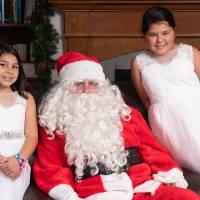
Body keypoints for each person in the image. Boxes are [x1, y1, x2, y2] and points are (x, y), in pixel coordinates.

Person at [33, 51, 200, 200]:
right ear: (65, 89)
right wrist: (69, 196)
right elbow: (50, 169)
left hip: (142, 187)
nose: (86, 89)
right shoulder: (54, 123)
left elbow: (153, 149)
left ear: (102, 87)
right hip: (95, 193)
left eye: (93, 83)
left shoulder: (127, 114)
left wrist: (170, 175)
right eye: (78, 84)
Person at [131, 6, 200, 174]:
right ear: (144, 36)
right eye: (152, 35)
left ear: (174, 31)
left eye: (165, 33)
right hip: (166, 125)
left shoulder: (189, 52)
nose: (159, 40)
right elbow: (146, 100)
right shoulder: (139, 62)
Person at [0, 43, 38, 200]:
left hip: (18, 161)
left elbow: (32, 136)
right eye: (3, 65)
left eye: (14, 67)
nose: (9, 71)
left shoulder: (26, 99)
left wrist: (18, 161)